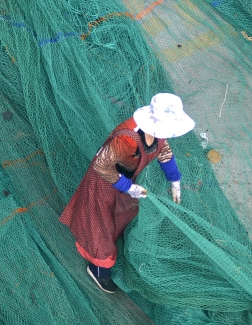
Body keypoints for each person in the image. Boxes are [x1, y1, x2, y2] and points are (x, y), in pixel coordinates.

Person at [60, 93, 195, 293]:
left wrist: (175, 180)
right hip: (103, 183)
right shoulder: (127, 137)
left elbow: (164, 152)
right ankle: (98, 268)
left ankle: (106, 245)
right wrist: (129, 188)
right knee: (100, 224)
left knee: (121, 216)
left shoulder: (159, 134)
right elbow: (102, 165)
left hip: (125, 181)